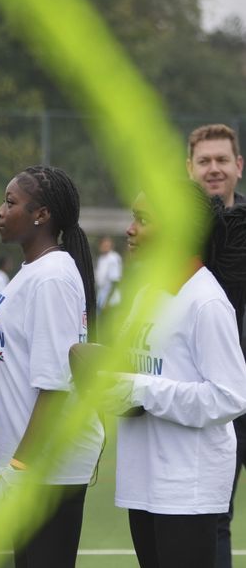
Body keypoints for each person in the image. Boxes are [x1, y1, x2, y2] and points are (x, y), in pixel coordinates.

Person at [101, 180, 246, 568]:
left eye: (143, 219)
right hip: (143, 481)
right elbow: (133, 373)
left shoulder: (207, 302)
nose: (130, 230)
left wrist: (140, 389)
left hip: (186, 488)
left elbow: (229, 397)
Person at [0, 165, 104, 567]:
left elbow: (55, 385)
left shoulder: (51, 277)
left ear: (42, 214)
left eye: (11, 202)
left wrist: (19, 470)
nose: (0, 211)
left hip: (47, 469)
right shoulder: (34, 271)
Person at [184, 123, 246, 568]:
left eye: (222, 159)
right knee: (213, 519)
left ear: (239, 166)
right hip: (208, 397)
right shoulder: (176, 237)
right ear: (189, 168)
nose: (213, 169)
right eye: (204, 161)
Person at [94, 236, 123, 312]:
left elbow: (115, 282)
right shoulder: (101, 259)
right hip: (101, 297)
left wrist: (107, 303)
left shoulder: (113, 258)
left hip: (111, 301)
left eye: (107, 245)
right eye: (103, 245)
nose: (105, 247)